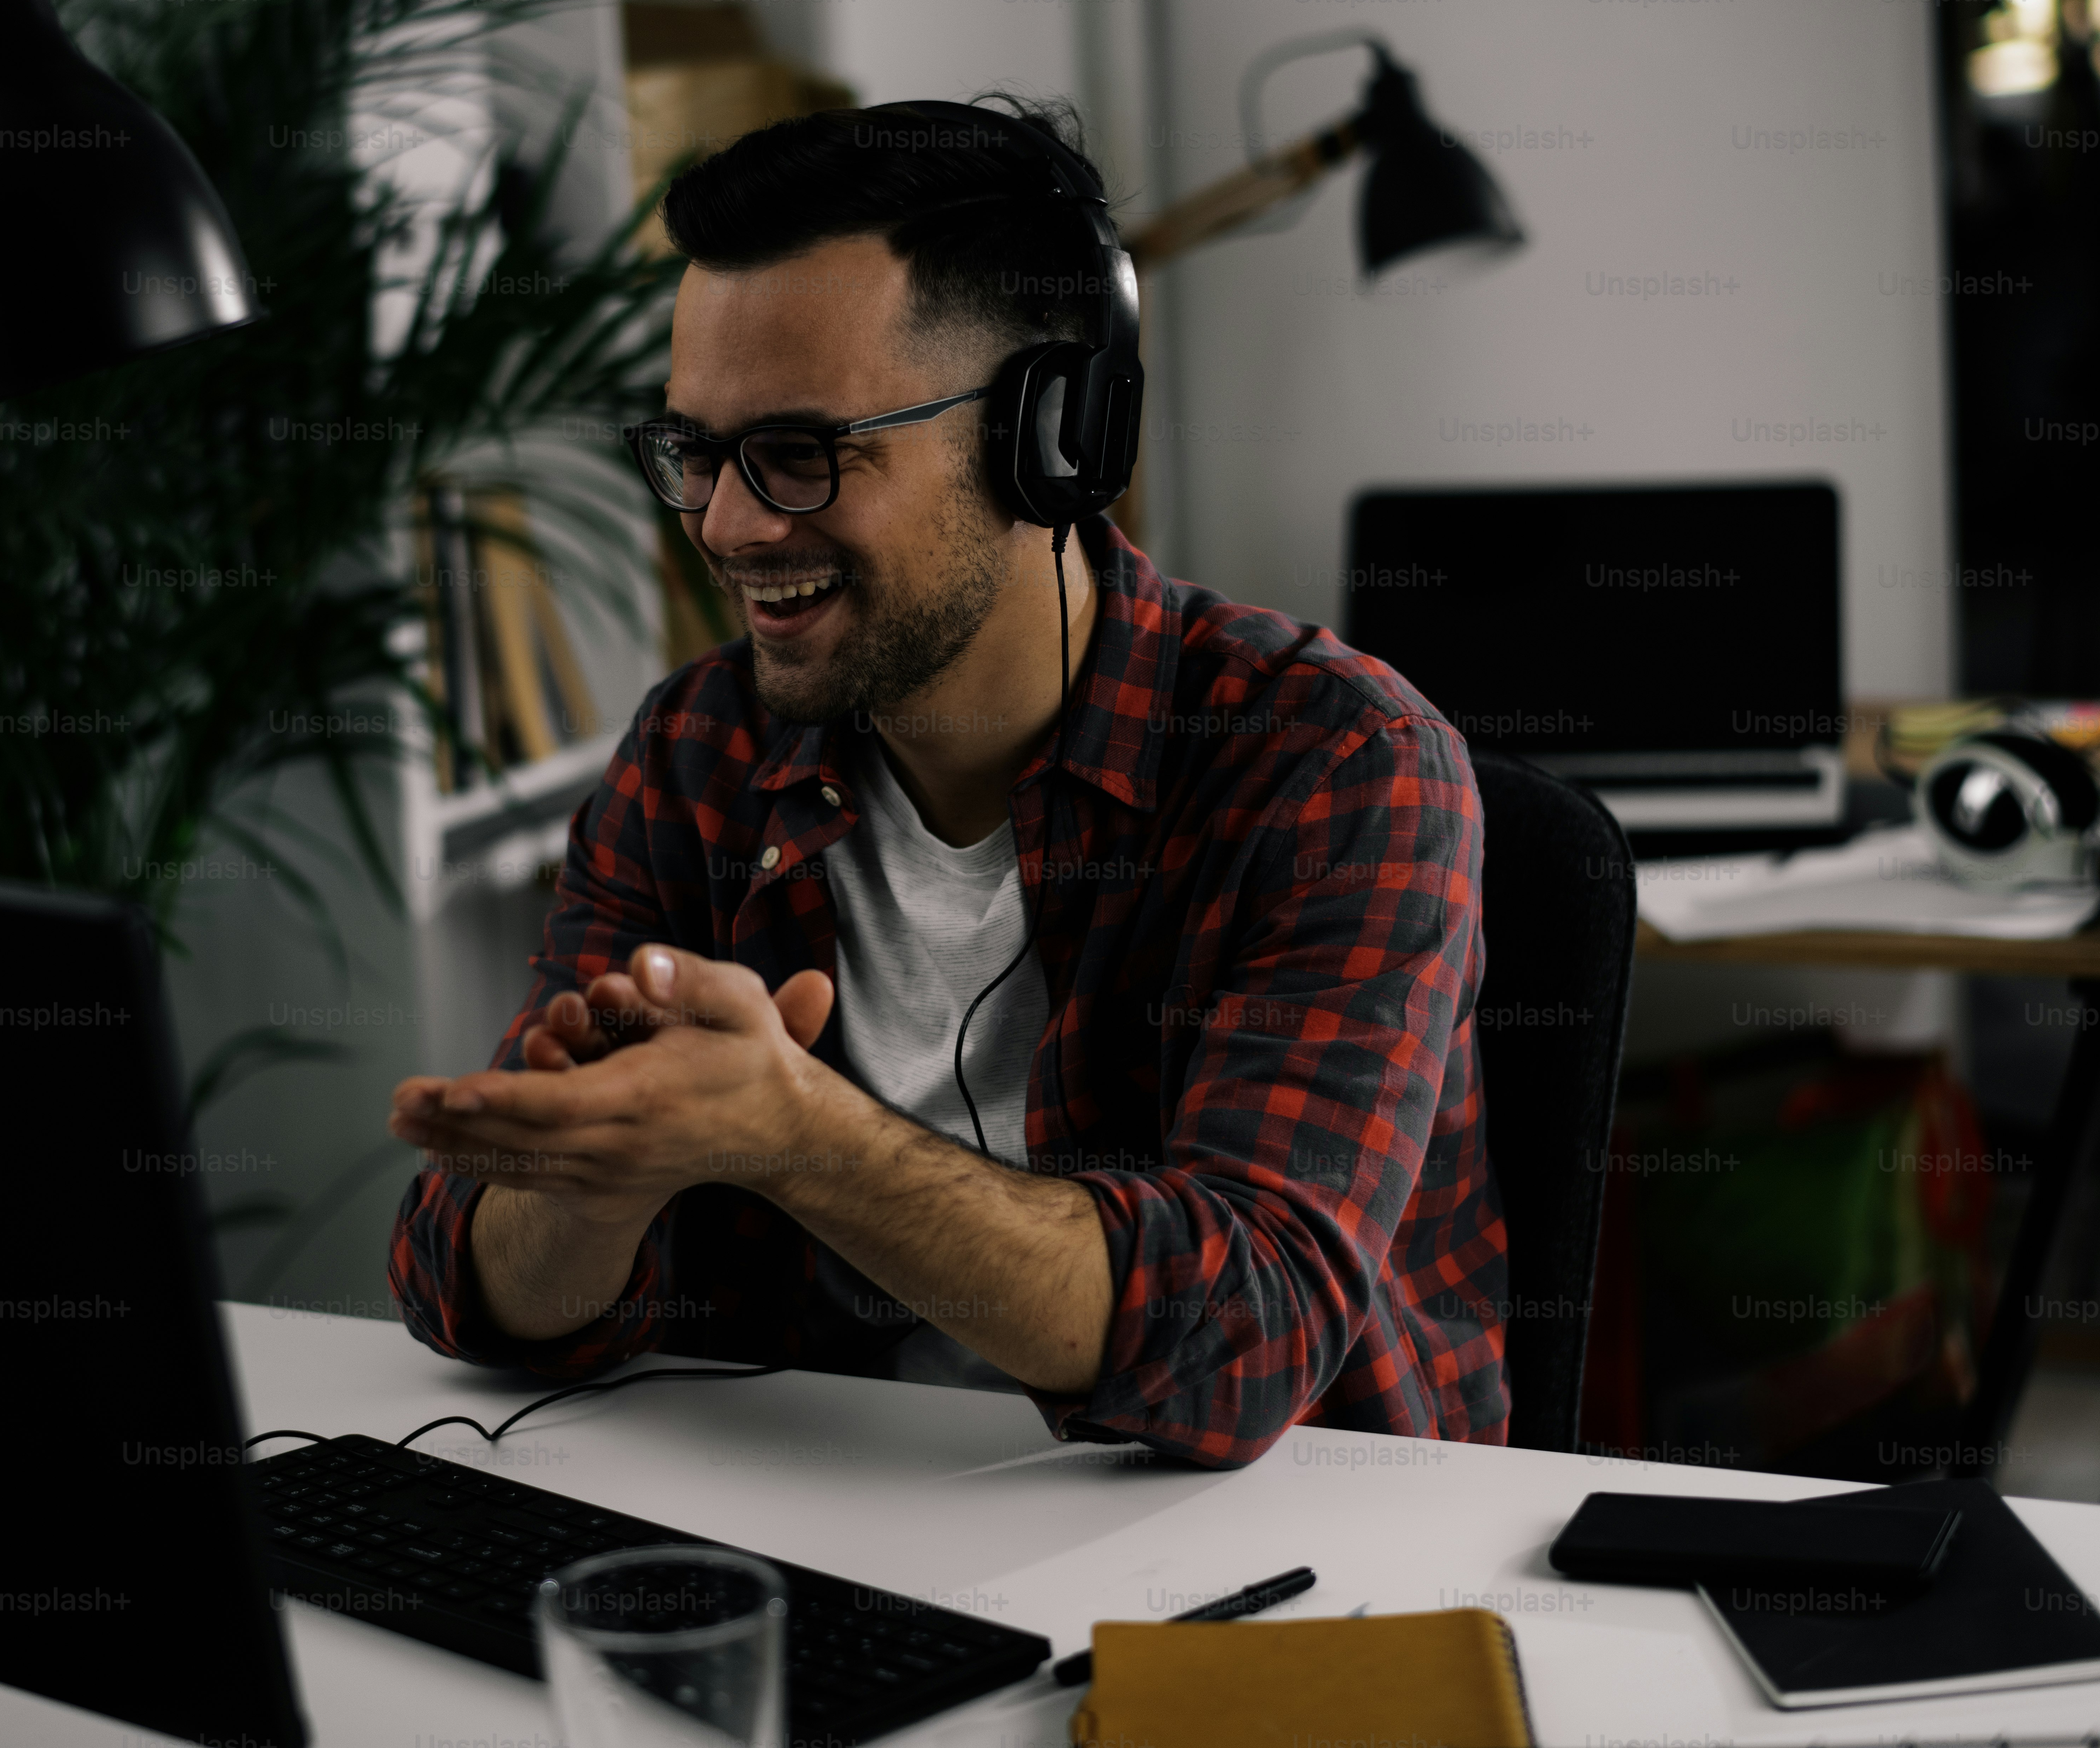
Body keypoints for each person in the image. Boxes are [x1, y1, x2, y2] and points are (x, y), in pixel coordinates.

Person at [384, 96, 1504, 1467]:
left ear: (1048, 442)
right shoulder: (700, 755)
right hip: (841, 1523)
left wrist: (801, 1137)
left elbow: (1246, 1334)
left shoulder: (1335, 768)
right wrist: (592, 1176)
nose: (728, 525)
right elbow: (468, 1290)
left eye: (800, 453)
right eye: (695, 451)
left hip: (1277, 1579)